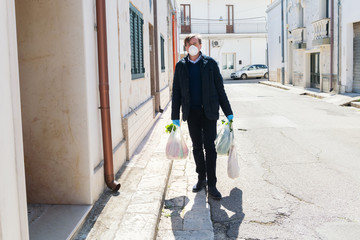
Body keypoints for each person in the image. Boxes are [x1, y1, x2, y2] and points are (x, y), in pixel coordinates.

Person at [171, 34, 233, 200]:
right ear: (186, 48)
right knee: (197, 147)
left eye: (195, 43)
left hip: (210, 112)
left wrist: (228, 113)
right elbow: (176, 92)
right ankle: (201, 179)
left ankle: (212, 184)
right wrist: (174, 116)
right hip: (192, 113)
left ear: (200, 46)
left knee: (210, 147)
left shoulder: (210, 64)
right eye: (189, 44)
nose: (192, 46)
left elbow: (220, 89)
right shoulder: (181, 66)